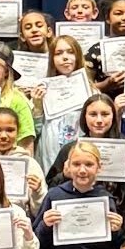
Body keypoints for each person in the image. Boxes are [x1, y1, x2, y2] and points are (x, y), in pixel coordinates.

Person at [33, 34, 95, 174]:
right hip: (50, 150)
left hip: (80, 151)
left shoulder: (91, 92)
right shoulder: (43, 91)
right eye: (59, 53)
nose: (65, 57)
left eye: (70, 52)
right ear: (52, 60)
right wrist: (37, 106)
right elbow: (35, 131)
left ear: (78, 56)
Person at [86, 0, 125, 96]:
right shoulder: (96, 51)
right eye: (118, 13)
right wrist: (106, 85)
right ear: (108, 18)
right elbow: (84, 88)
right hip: (106, 108)